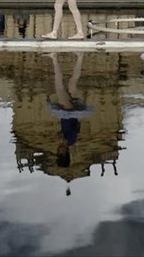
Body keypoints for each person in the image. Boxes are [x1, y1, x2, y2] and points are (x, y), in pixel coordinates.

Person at [46, 52, 93, 195]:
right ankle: (54, 59)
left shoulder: (68, 140)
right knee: (59, 86)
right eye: (59, 152)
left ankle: (80, 57)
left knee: (72, 82)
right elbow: (75, 125)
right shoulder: (70, 139)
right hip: (68, 109)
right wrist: (63, 136)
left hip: (69, 109)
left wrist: (60, 135)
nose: (57, 149)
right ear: (64, 153)